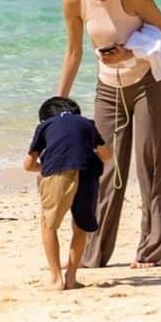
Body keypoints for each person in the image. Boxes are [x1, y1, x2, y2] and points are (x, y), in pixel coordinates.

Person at [58, 0, 161, 268]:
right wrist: (59, 103)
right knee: (104, 168)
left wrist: (130, 51)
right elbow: (73, 52)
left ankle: (152, 251)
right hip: (108, 89)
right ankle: (94, 253)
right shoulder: (75, 0)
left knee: (151, 164)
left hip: (146, 84)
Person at [23, 96, 112, 291]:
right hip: (88, 170)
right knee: (80, 226)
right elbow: (107, 155)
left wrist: (46, 166)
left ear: (45, 117)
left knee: (48, 224)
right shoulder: (87, 124)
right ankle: (71, 278)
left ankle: (56, 279)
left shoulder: (46, 126)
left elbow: (28, 165)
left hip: (58, 171)